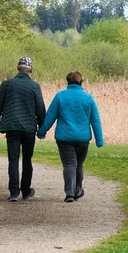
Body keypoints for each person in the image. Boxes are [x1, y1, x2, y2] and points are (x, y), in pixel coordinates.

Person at [39, 71, 104, 203]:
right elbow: (95, 120)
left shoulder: (60, 96)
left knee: (69, 164)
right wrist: (99, 140)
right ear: (81, 82)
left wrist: (42, 131)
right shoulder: (88, 98)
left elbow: (50, 116)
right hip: (82, 138)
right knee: (78, 164)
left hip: (65, 137)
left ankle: (69, 192)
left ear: (67, 81)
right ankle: (78, 190)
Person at [0, 57, 48, 202]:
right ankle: (26, 191)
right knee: (27, 160)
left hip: (12, 127)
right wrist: (42, 129)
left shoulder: (7, 84)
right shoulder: (34, 86)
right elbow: (40, 108)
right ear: (31, 70)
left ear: (18, 68)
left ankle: (14, 192)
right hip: (29, 129)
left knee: (13, 160)